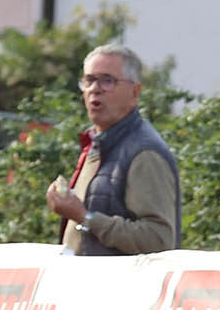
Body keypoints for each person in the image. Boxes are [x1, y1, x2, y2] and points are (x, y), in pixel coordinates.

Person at [44, 43, 181, 255]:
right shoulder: (98, 144)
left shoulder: (144, 153)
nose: (95, 89)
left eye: (107, 81)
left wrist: (85, 217)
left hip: (120, 287)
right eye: (89, 80)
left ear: (135, 92)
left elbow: (158, 240)